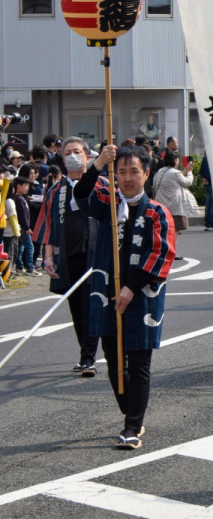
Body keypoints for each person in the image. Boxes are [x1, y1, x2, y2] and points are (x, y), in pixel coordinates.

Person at [74, 144, 176, 449]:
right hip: (107, 295)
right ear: (115, 175)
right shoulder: (108, 203)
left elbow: (162, 254)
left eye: (134, 171)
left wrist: (131, 287)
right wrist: (96, 164)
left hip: (142, 297)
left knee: (139, 363)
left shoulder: (157, 212)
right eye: (121, 171)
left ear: (146, 174)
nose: (128, 178)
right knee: (114, 361)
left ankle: (131, 427)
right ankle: (132, 412)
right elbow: (81, 196)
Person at [35, 137, 100, 375]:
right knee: (75, 306)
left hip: (97, 256)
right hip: (69, 255)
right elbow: (47, 225)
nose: (73, 156)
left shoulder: (101, 184)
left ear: (87, 156)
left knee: (91, 305)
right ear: (62, 159)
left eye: (77, 151)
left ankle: (89, 357)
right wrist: (48, 257)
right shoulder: (55, 190)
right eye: (68, 153)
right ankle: (86, 354)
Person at [151, 151, 199, 256]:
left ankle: (163, 249)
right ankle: (171, 251)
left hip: (161, 204)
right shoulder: (175, 173)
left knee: (164, 229)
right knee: (175, 230)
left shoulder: (161, 171)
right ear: (175, 160)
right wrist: (190, 172)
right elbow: (188, 182)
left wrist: (185, 170)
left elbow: (174, 178)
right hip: (174, 205)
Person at [10, 175, 35, 275]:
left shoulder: (21, 198)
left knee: (20, 248)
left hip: (21, 228)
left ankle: (20, 266)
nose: (27, 188)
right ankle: (29, 267)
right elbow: (22, 216)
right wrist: (27, 228)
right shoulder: (19, 199)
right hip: (23, 228)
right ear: (19, 186)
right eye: (25, 186)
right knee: (29, 247)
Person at [199, 152, 213, 230]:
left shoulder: (205, 158)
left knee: (208, 203)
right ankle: (212, 223)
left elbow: (201, 171)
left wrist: (203, 178)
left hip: (206, 183)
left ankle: (207, 223)